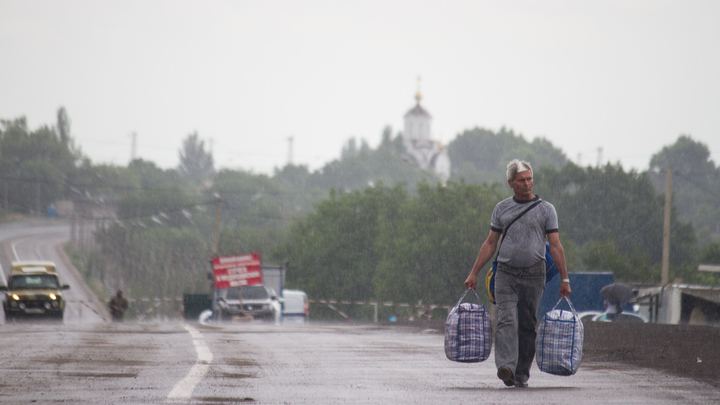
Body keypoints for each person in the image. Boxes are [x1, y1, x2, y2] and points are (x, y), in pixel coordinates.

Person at [464, 159, 571, 388]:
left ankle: (521, 372)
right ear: (511, 183)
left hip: (534, 275)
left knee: (527, 324)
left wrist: (565, 278)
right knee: (506, 319)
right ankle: (506, 367)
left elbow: (555, 246)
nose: (527, 184)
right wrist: (474, 273)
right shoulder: (502, 209)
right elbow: (491, 243)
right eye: (522, 180)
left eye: (529, 179)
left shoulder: (546, 209)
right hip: (506, 274)